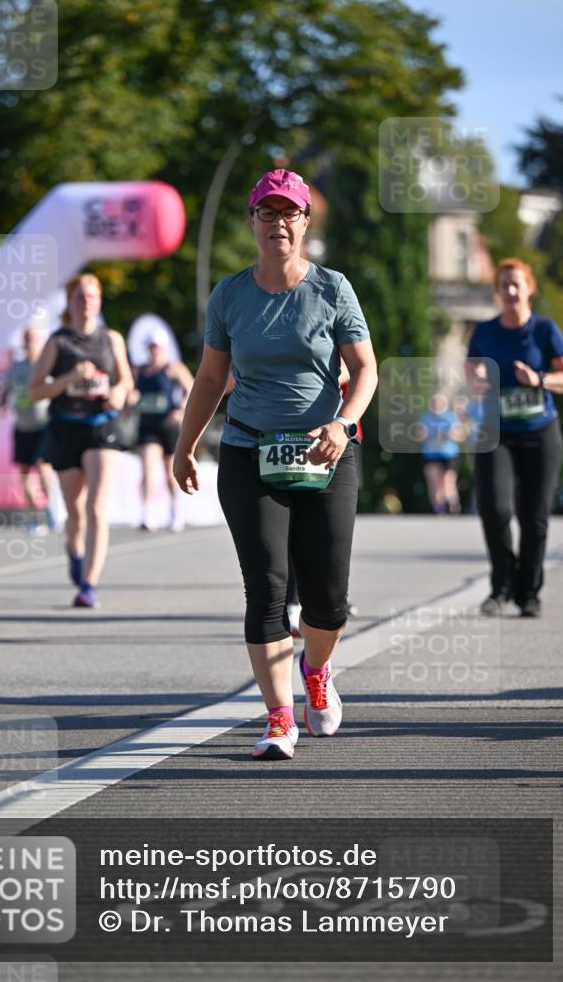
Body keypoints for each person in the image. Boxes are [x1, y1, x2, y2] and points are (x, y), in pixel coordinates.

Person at [173, 168, 377, 760]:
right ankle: (279, 718)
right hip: (248, 449)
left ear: (306, 222)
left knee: (328, 597)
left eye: (290, 213)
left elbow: (365, 369)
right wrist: (185, 446)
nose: (279, 223)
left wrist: (342, 423)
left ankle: (317, 670)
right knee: (264, 589)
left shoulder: (332, 289)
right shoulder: (230, 295)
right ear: (252, 221)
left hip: (325, 450)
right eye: (268, 212)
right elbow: (211, 379)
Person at [466, 257, 563, 617]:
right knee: (495, 508)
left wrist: (539, 380)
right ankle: (502, 586)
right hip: (496, 432)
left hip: (540, 432)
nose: (510, 291)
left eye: (516, 284)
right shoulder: (485, 332)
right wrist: (480, 381)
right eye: (503, 285)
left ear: (529, 288)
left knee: (534, 516)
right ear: (497, 293)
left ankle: (529, 591)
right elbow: (471, 369)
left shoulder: (544, 330)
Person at [29, 273, 134, 607]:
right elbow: (33, 391)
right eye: (80, 297)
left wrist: (119, 391)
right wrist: (69, 378)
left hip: (102, 426)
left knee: (95, 507)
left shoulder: (112, 339)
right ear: (70, 303)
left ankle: (89, 583)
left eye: (92, 296)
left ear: (99, 301)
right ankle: (75, 552)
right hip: (65, 427)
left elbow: (127, 381)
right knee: (75, 510)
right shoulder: (57, 342)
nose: (86, 302)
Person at [134, 326, 193, 531]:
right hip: (147, 426)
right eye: (151, 347)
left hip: (167, 425)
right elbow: (131, 392)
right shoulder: (140, 370)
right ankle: (147, 512)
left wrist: (180, 410)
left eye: (157, 347)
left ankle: (176, 510)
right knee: (147, 469)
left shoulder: (173, 368)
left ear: (164, 347)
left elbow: (191, 389)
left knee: (169, 471)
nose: (154, 351)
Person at [0, 326, 55, 533]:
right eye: (27, 338)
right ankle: (33, 515)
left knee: (42, 469)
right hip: (22, 427)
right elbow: (5, 391)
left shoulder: (45, 366)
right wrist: (3, 404)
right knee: (24, 474)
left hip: (42, 426)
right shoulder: (16, 368)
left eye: (33, 338)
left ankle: (49, 510)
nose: (30, 342)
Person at [415, 392, 463, 514]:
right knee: (433, 482)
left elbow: (459, 435)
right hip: (431, 454)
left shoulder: (450, 417)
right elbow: (419, 435)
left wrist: (448, 435)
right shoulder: (426, 418)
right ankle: (438, 509)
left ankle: (453, 505)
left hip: (449, 454)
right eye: (434, 402)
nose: (437, 405)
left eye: (439, 402)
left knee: (447, 481)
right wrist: (424, 435)